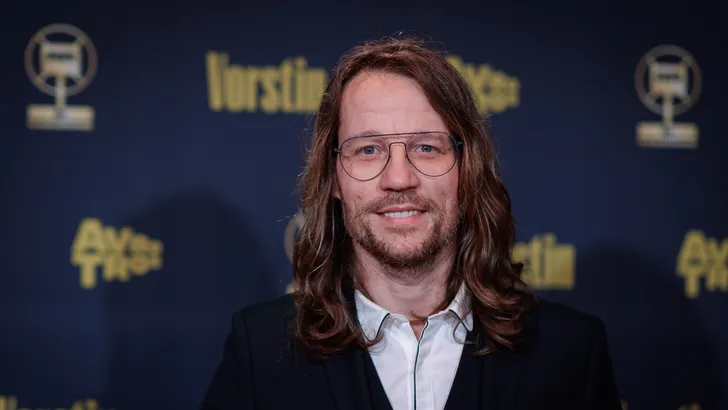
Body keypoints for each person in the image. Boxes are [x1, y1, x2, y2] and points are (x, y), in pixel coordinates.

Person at [201, 35, 621, 410]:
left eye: (426, 147)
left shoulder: (570, 353)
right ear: (333, 178)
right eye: (368, 150)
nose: (399, 178)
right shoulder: (260, 352)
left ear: (467, 169)